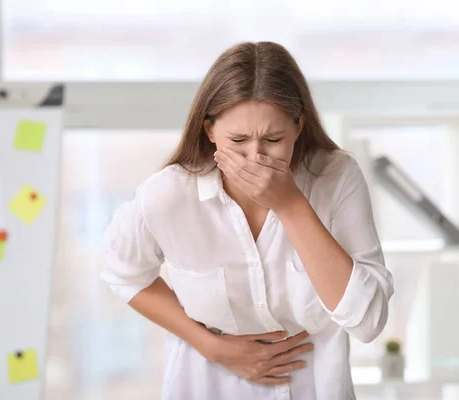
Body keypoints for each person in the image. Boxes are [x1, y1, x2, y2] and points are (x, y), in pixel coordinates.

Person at [101, 41, 394, 400]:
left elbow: (368, 322)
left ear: (298, 126)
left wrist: (290, 205)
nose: (255, 157)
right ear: (209, 131)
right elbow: (123, 273)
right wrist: (211, 346)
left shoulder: (335, 178)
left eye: (273, 139)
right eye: (237, 140)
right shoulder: (169, 194)